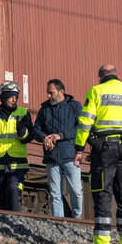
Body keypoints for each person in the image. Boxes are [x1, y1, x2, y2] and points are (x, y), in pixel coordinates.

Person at [73, 64, 122, 244]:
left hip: (104, 151)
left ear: (100, 77)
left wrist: (79, 148)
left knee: (103, 195)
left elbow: (85, 122)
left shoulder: (97, 92)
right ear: (117, 75)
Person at [32, 79, 83, 218]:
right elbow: (35, 130)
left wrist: (60, 136)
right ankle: (57, 220)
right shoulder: (44, 110)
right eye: (48, 93)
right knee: (55, 193)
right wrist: (44, 138)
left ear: (61, 92)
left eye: (51, 93)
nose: (48, 96)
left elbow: (81, 128)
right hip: (52, 157)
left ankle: (77, 217)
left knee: (76, 191)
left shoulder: (74, 106)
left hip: (70, 155)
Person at [0, 81, 34, 211]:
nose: (14, 99)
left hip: (17, 162)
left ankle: (16, 218)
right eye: (11, 96)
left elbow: (29, 137)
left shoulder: (23, 113)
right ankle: (7, 217)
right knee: (2, 192)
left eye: (16, 96)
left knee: (13, 188)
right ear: (4, 97)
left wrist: (22, 132)